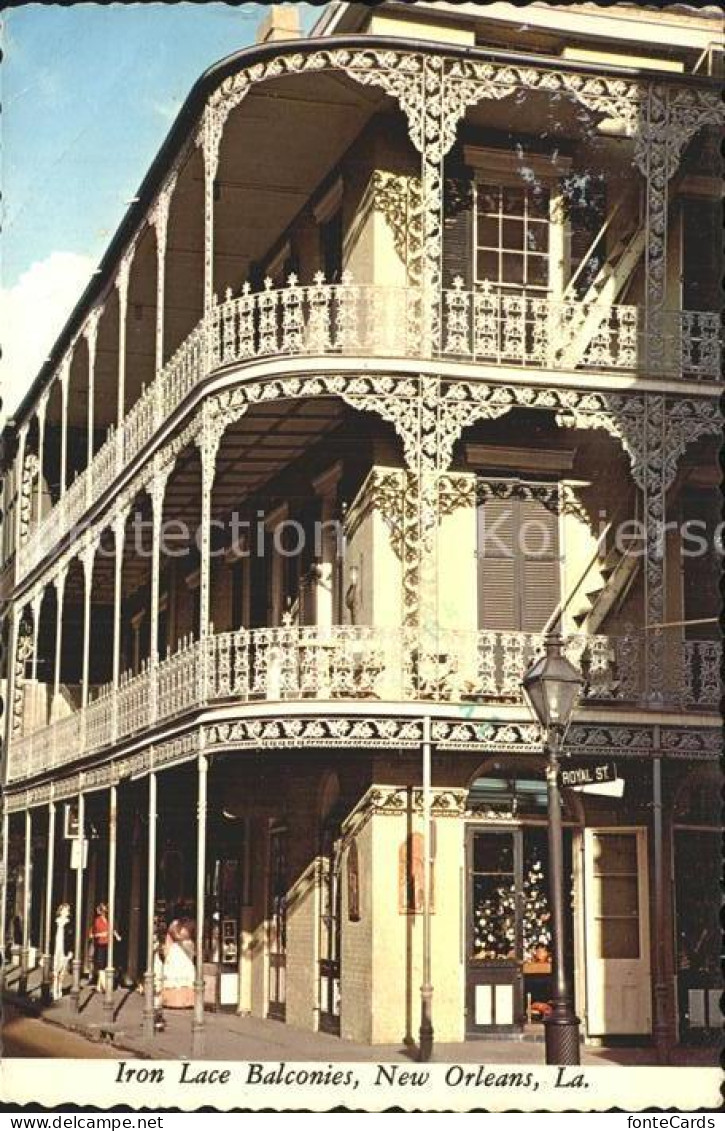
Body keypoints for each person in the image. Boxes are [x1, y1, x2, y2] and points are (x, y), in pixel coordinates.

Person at [161, 906, 196, 1009]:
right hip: (178, 949)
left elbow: (170, 937)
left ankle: (181, 1000)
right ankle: (177, 1000)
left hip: (182, 948)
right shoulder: (178, 924)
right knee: (179, 971)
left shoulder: (176, 924)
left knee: (183, 970)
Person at [89, 903, 121, 992]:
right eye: (103, 911)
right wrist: (101, 934)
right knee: (101, 965)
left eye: (106, 911)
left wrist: (117, 936)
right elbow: (91, 934)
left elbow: (112, 929)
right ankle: (105, 986)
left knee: (106, 964)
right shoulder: (97, 920)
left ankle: (99, 987)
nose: (105, 912)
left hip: (109, 944)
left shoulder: (109, 920)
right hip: (100, 944)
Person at [52, 903, 72, 1001]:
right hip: (56, 948)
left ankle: (59, 989)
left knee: (62, 971)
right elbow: (50, 936)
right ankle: (54, 990)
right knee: (55, 971)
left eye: (68, 910)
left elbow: (71, 938)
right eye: (65, 910)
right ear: (61, 911)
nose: (67, 912)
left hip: (64, 948)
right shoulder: (55, 921)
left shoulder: (70, 923)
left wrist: (70, 951)